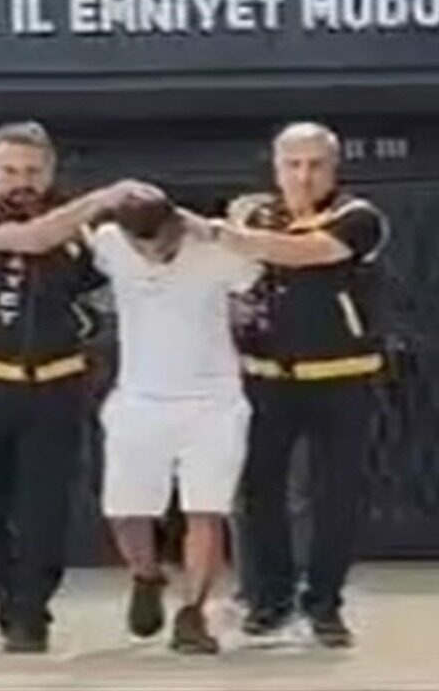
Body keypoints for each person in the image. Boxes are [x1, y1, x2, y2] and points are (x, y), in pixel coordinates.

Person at [0, 120, 157, 653]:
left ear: (50, 172)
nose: (21, 182)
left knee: (46, 508)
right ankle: (6, 596)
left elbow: (126, 270)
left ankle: (32, 614)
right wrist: (100, 200)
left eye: (32, 171)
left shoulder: (78, 231)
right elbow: (32, 239)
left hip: (54, 385)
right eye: (10, 170)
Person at [209, 122, 390, 648]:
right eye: (293, 164)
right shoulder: (253, 215)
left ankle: (324, 604)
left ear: (334, 168)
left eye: (315, 165)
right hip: (265, 378)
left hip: (342, 377)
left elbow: (308, 251)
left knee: (336, 495)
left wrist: (223, 232)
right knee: (256, 493)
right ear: (276, 167)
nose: (304, 176)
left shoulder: (359, 218)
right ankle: (268, 599)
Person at [86, 192, 260, 654]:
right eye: (141, 246)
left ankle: (193, 613)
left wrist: (226, 228)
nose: (153, 254)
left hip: (213, 401)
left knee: (206, 508)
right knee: (125, 509)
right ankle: (146, 575)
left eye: (162, 243)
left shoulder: (216, 251)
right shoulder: (108, 241)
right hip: (139, 397)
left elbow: (256, 265)